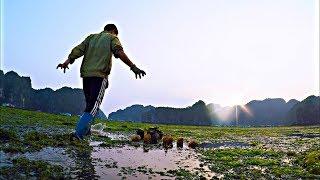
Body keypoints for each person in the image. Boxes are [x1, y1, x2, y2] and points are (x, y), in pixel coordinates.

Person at [57, 24, 146, 140]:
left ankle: (86, 131)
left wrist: (66, 62)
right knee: (93, 106)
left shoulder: (91, 38)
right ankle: (77, 135)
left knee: (89, 103)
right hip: (99, 75)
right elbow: (119, 52)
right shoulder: (112, 37)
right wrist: (133, 67)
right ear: (114, 31)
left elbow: (77, 51)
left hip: (86, 76)